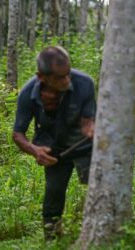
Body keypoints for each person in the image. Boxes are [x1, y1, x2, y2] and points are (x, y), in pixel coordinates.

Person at [12, 46, 96, 239]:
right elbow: (18, 134)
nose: (67, 81)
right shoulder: (27, 94)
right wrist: (35, 151)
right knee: (54, 193)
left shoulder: (84, 83)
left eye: (68, 74)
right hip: (54, 149)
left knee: (98, 185)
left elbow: (88, 121)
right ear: (42, 77)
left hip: (83, 145)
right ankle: (51, 237)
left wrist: (91, 128)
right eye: (60, 78)